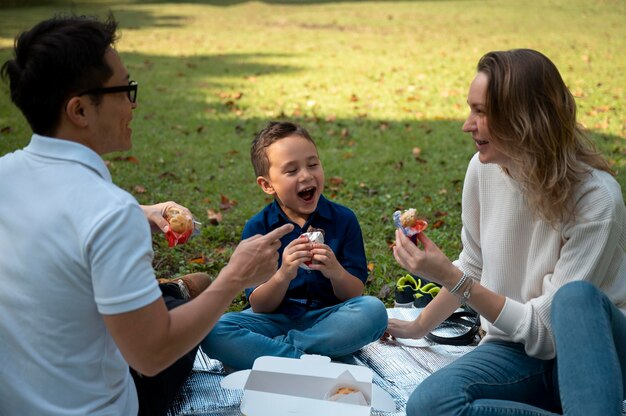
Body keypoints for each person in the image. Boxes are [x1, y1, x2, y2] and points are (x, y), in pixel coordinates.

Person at [0, 15, 293, 415]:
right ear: (80, 110)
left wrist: (145, 212)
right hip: (100, 405)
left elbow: (60, 211)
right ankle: (177, 293)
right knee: (188, 310)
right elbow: (151, 355)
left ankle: (171, 293)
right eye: (125, 89)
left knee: (168, 305)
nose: (133, 102)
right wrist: (234, 278)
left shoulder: (7, 175)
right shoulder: (108, 212)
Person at [386, 48, 626, 415]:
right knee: (429, 406)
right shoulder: (483, 170)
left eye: (481, 112)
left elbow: (548, 332)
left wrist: (449, 275)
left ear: (525, 118)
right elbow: (475, 264)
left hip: (595, 352)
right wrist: (418, 325)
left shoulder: (597, 199)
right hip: (516, 348)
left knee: (575, 298)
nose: (468, 124)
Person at [201, 121, 388, 370]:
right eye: (291, 171)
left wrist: (335, 271)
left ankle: (278, 354)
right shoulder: (259, 229)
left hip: (328, 318)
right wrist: (283, 275)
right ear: (267, 185)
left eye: (313, 164)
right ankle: (310, 360)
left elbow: (354, 293)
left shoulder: (343, 220)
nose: (306, 175)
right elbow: (259, 305)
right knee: (213, 329)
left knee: (374, 311)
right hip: (272, 320)